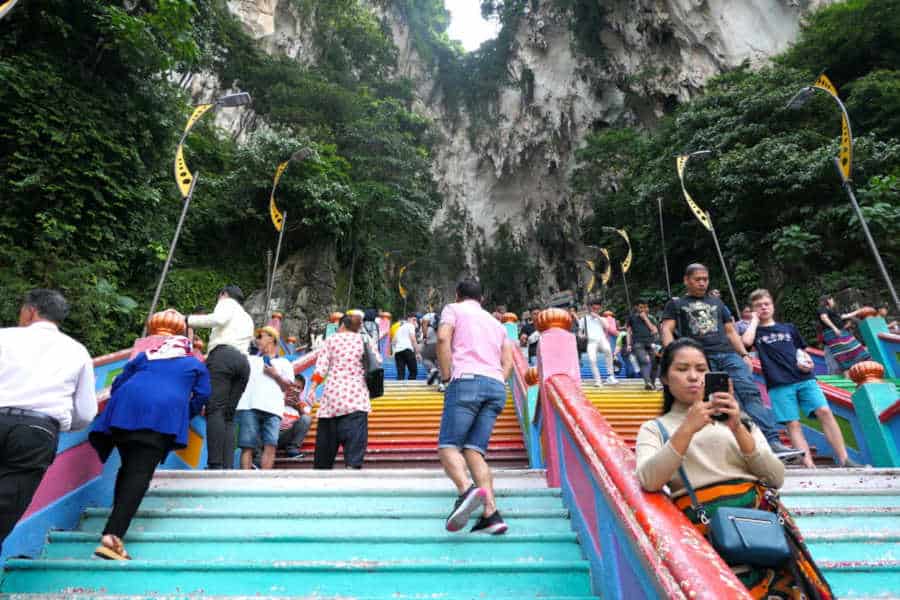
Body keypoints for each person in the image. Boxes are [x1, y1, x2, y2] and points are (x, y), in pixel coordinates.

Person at [636, 339, 832, 598]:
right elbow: (649, 479)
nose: (693, 377)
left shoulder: (742, 422)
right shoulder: (655, 428)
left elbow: (775, 476)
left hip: (760, 523)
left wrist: (738, 427)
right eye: (682, 369)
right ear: (664, 378)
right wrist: (687, 428)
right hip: (705, 531)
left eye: (701, 369)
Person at [89, 319, 210, 560]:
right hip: (160, 419)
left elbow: (118, 383)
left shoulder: (146, 357)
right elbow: (204, 394)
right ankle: (112, 536)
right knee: (139, 474)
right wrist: (185, 413)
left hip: (122, 415)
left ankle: (115, 523)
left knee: (129, 468)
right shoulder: (193, 364)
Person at [0, 289, 97, 552]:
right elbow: (86, 412)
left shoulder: (4, 337)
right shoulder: (77, 352)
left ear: (30, 311)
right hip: (37, 433)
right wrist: (61, 425)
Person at [661, 264, 791, 455]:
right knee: (717, 402)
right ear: (686, 280)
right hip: (700, 358)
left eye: (705, 279)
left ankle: (772, 441)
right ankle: (734, 445)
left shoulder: (717, 303)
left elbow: (730, 331)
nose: (702, 283)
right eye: (697, 279)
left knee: (750, 392)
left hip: (728, 354)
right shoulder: (676, 304)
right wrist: (672, 354)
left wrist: (744, 354)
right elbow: (666, 329)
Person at [743, 290, 859, 469]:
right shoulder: (754, 331)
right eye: (759, 306)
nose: (764, 307)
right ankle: (809, 465)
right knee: (793, 424)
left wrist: (809, 361)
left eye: (767, 304)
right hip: (778, 383)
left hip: (804, 378)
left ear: (773, 306)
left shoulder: (789, 328)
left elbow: (802, 350)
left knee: (825, 412)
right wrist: (754, 321)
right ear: (753, 310)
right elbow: (745, 343)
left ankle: (845, 459)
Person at [437, 278, 513, 534]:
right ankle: (491, 513)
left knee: (448, 446)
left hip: (466, 381)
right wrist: (495, 380)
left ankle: (467, 491)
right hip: (495, 387)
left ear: (458, 294)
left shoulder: (453, 309)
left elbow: (442, 339)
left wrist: (447, 377)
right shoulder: (496, 323)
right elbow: (509, 362)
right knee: (473, 451)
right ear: (482, 299)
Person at [187, 285, 254, 469]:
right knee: (229, 416)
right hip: (242, 363)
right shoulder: (247, 317)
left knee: (215, 410)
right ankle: (227, 465)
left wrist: (187, 320)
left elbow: (217, 319)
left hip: (223, 357)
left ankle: (215, 463)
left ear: (223, 294)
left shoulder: (227, 303)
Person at [306, 314, 372, 469]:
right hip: (357, 401)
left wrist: (313, 388)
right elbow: (377, 363)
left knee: (323, 460)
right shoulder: (364, 341)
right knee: (354, 460)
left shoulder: (331, 340)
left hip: (332, 404)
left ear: (342, 325)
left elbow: (321, 368)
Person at [235, 326, 294, 470]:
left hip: (273, 409)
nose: (257, 340)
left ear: (271, 339)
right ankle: (244, 482)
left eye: (260, 336)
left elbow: (288, 387)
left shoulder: (284, 363)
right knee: (247, 446)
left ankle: (264, 481)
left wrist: (275, 375)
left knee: (271, 444)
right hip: (249, 406)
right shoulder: (250, 360)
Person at [817, 295, 872, 376]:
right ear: (828, 300)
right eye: (832, 300)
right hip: (833, 334)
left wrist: (858, 311)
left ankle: (862, 370)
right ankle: (848, 374)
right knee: (842, 354)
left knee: (856, 348)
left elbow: (843, 316)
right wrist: (834, 328)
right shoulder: (822, 308)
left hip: (841, 332)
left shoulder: (832, 311)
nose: (833, 302)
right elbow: (824, 317)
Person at [578, 300, 618, 386]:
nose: (596, 310)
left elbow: (607, 327)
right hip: (591, 342)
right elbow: (580, 332)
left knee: (608, 350)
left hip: (602, 339)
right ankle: (598, 380)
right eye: (594, 308)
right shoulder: (583, 319)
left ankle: (610, 376)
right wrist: (582, 336)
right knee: (592, 360)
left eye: (598, 309)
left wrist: (598, 317)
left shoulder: (602, 318)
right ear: (590, 308)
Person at [627, 300, 660, 391]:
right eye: (641, 307)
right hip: (638, 343)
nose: (644, 309)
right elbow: (629, 332)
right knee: (644, 361)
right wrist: (628, 344)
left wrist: (645, 319)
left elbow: (654, 331)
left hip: (651, 343)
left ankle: (651, 384)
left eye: (645, 307)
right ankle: (647, 382)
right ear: (636, 307)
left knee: (654, 364)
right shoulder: (631, 318)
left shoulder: (651, 318)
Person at [280, 374, 312, 459]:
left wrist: (299, 409)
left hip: (288, 437)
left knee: (306, 418)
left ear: (302, 390)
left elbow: (307, 420)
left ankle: (292, 448)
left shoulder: (304, 406)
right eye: (293, 386)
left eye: (298, 388)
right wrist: (282, 403)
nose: (295, 389)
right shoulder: (277, 399)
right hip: (272, 436)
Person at [392, 313, 419, 380]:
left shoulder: (400, 328)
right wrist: (417, 352)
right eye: (414, 320)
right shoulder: (410, 325)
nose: (415, 322)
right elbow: (413, 339)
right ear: (408, 319)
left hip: (398, 351)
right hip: (407, 350)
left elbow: (393, 341)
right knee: (413, 371)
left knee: (400, 373)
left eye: (416, 320)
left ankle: (399, 389)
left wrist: (394, 351)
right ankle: (411, 388)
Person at [421, 311, 440, 385]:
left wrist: (425, 337)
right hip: (441, 341)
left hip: (431, 340)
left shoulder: (427, 316)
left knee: (425, 357)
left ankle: (432, 369)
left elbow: (424, 323)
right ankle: (441, 383)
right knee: (440, 362)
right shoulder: (442, 317)